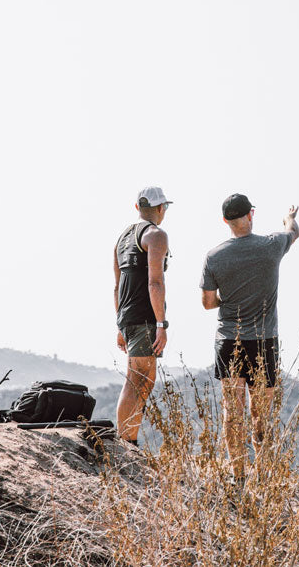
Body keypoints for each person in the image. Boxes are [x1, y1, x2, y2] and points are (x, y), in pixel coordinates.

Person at [200, 194, 299, 477]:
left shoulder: (214, 256)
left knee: (233, 412)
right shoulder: (271, 246)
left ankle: (238, 476)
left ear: (225, 221)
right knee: (262, 413)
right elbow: (294, 231)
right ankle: (264, 473)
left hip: (229, 340)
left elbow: (208, 303)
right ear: (251, 214)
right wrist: (289, 217)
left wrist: (229, 301)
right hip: (264, 340)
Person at [113, 186, 171, 447]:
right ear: (161, 209)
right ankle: (127, 443)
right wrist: (161, 324)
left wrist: (119, 325)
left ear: (138, 208)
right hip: (144, 317)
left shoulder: (122, 238)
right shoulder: (156, 235)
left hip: (126, 315)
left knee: (139, 378)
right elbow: (155, 282)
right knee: (139, 380)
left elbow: (117, 286)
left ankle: (127, 439)